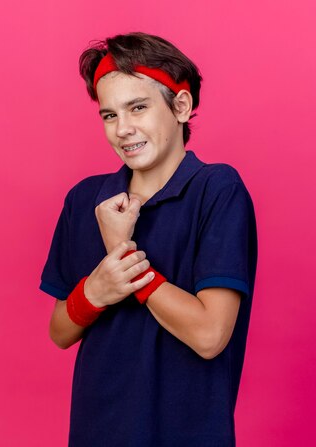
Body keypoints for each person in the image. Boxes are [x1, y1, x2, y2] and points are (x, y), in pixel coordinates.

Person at [39, 31, 258, 446]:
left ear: (181, 105)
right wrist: (96, 290)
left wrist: (123, 257)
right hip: (96, 429)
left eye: (137, 108)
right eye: (109, 115)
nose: (123, 129)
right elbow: (60, 331)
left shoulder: (217, 189)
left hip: (188, 432)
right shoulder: (87, 199)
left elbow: (210, 336)